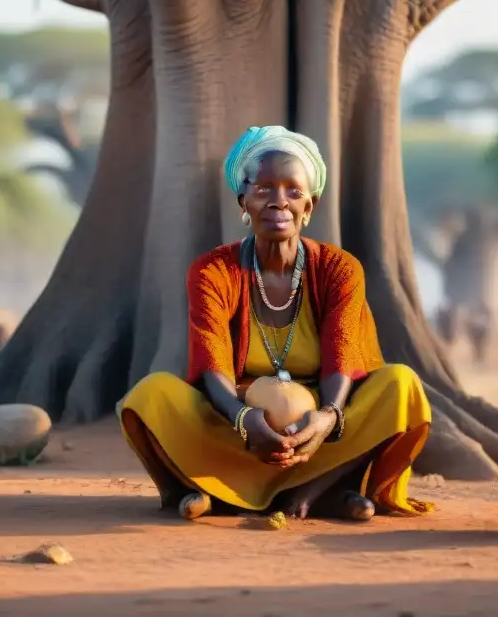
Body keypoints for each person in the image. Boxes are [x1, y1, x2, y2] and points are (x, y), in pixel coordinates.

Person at [119, 126, 433, 523]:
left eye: (293, 192)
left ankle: (318, 489)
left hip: (322, 433)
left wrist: (327, 417)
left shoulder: (339, 269)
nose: (279, 202)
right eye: (264, 189)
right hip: (236, 425)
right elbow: (212, 363)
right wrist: (242, 418)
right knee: (151, 395)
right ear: (243, 200)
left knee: (400, 384)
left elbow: (343, 356)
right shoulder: (213, 271)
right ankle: (202, 487)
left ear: (310, 207)